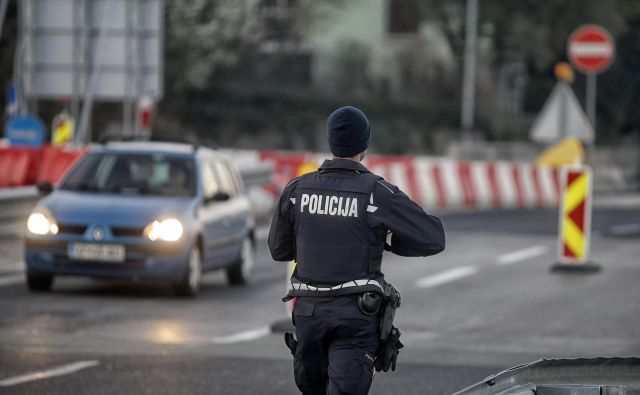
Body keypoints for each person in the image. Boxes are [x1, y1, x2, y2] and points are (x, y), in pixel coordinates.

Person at [268, 106, 446, 395]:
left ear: (331, 142)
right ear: (365, 145)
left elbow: (279, 250)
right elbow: (434, 237)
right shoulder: (377, 192)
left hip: (308, 315)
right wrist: (388, 241)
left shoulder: (296, 189)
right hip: (355, 317)